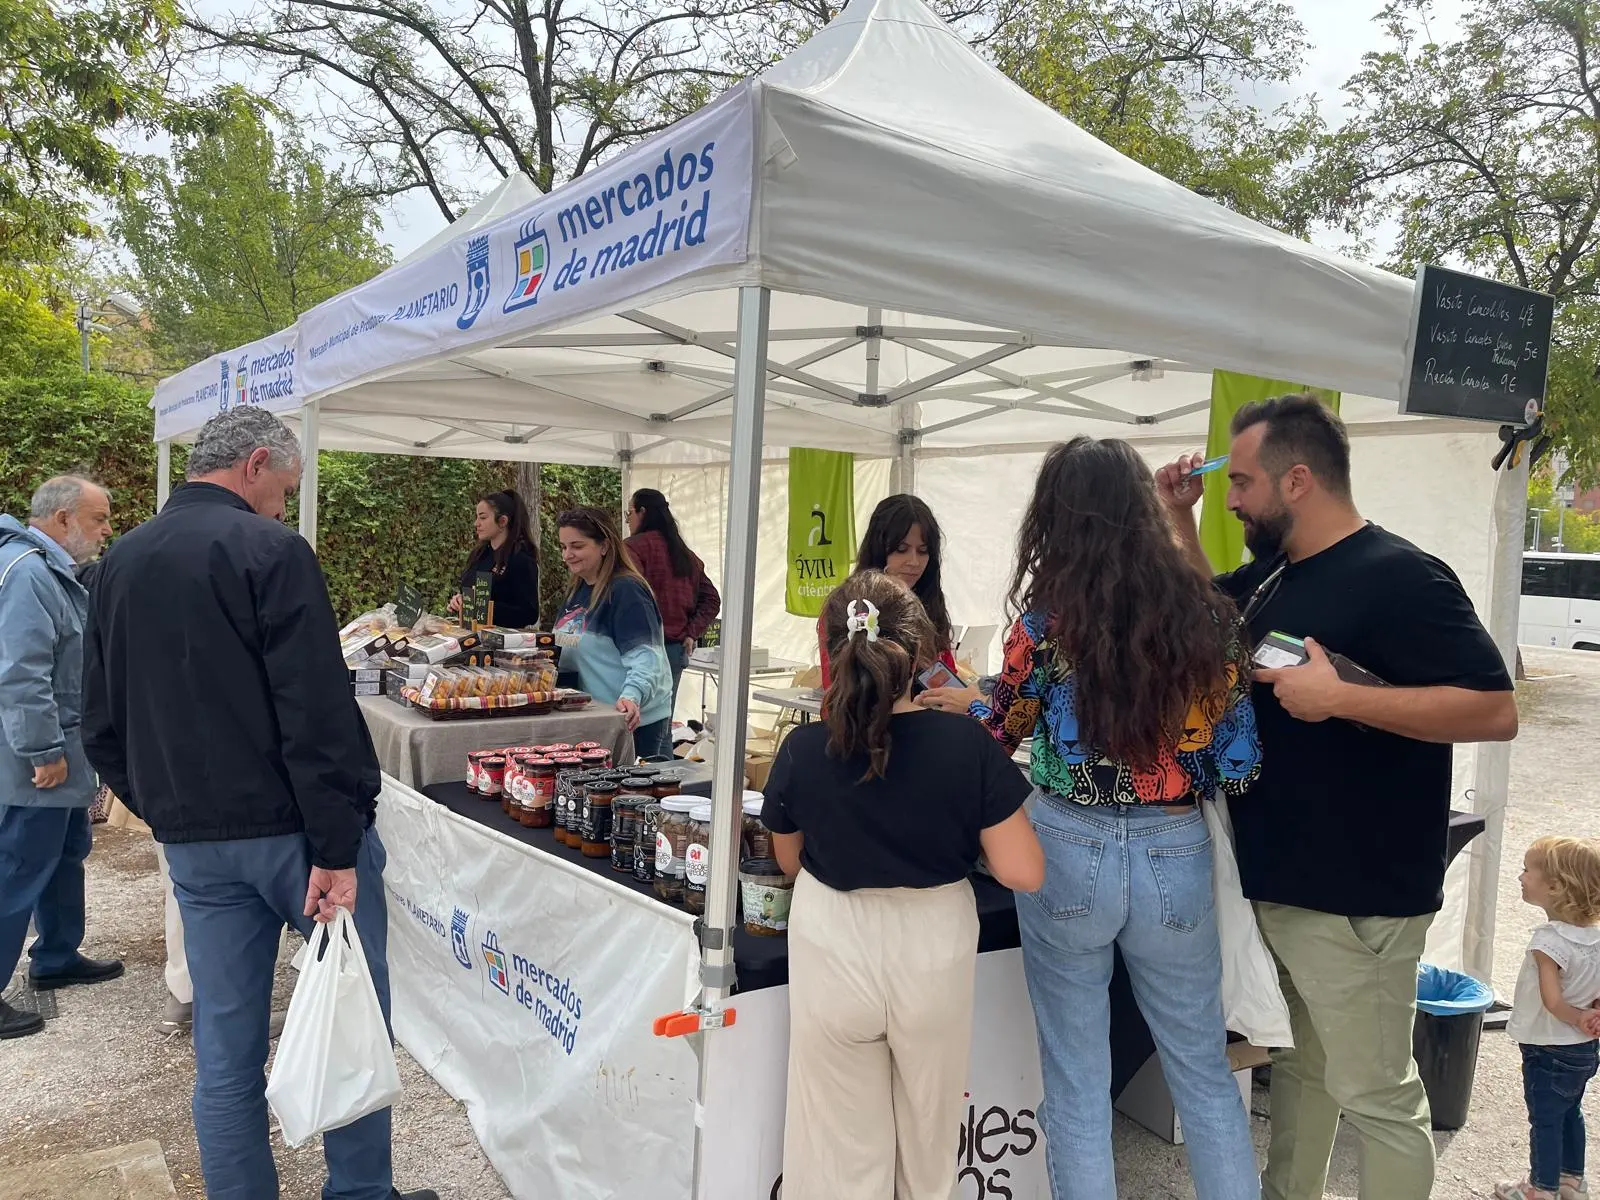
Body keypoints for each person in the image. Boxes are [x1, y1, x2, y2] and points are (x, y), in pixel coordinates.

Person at [1157, 394, 1519, 1200]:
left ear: (1297, 479)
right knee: (1304, 1072)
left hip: (1359, 895)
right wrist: (1176, 521)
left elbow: (1495, 710)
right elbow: (1205, 616)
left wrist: (1342, 700)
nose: (1232, 498)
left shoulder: (1402, 576)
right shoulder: (1276, 576)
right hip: (1285, 883)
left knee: (1377, 1096)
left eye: (1242, 482)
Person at [81, 408, 435, 1200]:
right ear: (257, 462)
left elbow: (99, 721)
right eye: (286, 485)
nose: (283, 500)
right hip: (297, 838)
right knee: (348, 1018)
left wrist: (167, 810)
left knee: (226, 1052)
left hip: (199, 842)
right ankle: (359, 1193)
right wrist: (337, 847)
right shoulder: (272, 550)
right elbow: (315, 712)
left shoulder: (120, 562)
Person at [974, 437, 1263, 1199]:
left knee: (1075, 1081)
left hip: (1065, 843)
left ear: (1054, 519)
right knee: (1202, 1071)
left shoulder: (1043, 625)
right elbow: (1241, 760)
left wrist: (968, 707)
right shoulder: (1207, 613)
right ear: (1143, 507)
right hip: (1175, 846)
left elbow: (995, 735)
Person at [762, 570, 1043, 1200]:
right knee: (929, 1139)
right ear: (922, 653)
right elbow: (1023, 870)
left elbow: (787, 860)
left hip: (832, 939)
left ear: (826, 649)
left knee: (836, 1147)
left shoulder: (803, 748)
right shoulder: (966, 745)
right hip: (932, 944)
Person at [0, 476, 121, 1041]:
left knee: (67, 850)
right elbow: (22, 672)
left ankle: (56, 955)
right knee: (20, 866)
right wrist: (42, 750)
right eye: (98, 519)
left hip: (65, 747)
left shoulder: (50, 570)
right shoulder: (28, 573)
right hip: (38, 757)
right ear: (63, 519)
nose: (106, 530)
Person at [1497, 836, 1600, 1200]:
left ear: (1554, 887)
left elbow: (1552, 1001)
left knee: (1545, 1120)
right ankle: (1572, 1181)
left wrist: (1576, 1017)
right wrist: (1592, 1016)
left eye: (1527, 871)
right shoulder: (1596, 937)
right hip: (1585, 1051)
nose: (1521, 877)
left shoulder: (1548, 942)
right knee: (1571, 1111)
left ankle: (1541, 1189)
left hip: (1549, 1048)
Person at [816, 495, 975, 708]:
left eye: (923, 551)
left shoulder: (931, 606)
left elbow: (947, 681)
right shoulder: (849, 609)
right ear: (879, 548)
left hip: (930, 728)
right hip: (863, 732)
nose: (913, 562)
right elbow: (836, 692)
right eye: (901, 549)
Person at [552, 506, 675, 759]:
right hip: (595, 719)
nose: (567, 555)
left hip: (630, 725)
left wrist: (632, 696)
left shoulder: (626, 591)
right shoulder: (578, 589)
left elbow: (647, 657)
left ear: (605, 546)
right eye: (563, 547)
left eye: (577, 546)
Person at [624, 488, 720, 710]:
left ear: (642, 512)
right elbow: (712, 599)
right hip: (675, 649)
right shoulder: (685, 554)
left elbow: (631, 596)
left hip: (640, 649)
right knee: (662, 725)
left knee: (634, 724)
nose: (628, 520)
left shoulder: (632, 548)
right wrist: (691, 632)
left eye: (629, 513)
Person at [448, 489, 540, 628]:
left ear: (502, 521)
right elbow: (469, 592)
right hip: (470, 636)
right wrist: (459, 601)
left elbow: (529, 613)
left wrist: (486, 608)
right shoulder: (479, 555)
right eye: (477, 517)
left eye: (483, 518)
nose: (476, 523)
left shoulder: (520, 560)